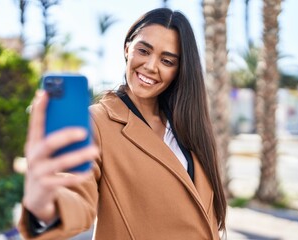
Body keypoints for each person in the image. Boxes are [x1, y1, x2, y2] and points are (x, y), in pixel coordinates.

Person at [18, 8, 227, 240]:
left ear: (179, 69)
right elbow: (76, 199)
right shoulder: (96, 122)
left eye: (167, 60)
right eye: (143, 51)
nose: (150, 66)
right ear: (128, 48)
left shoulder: (187, 125)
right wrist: (43, 203)